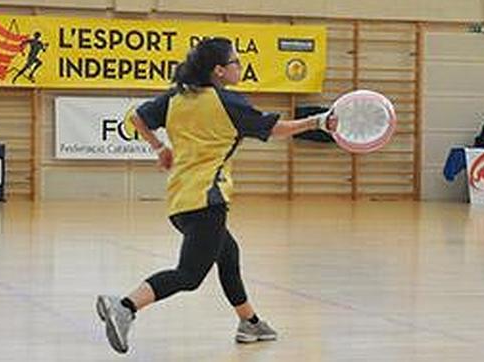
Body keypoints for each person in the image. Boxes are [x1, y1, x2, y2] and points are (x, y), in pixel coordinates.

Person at [96, 37, 337, 354]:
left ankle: (250, 323)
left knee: (228, 255)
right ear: (220, 71)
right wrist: (317, 121)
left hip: (182, 200)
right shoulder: (229, 102)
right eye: (236, 62)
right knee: (190, 275)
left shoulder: (176, 98)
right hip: (208, 201)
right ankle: (125, 306)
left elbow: (137, 117)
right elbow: (273, 128)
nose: (240, 66)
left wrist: (159, 147)